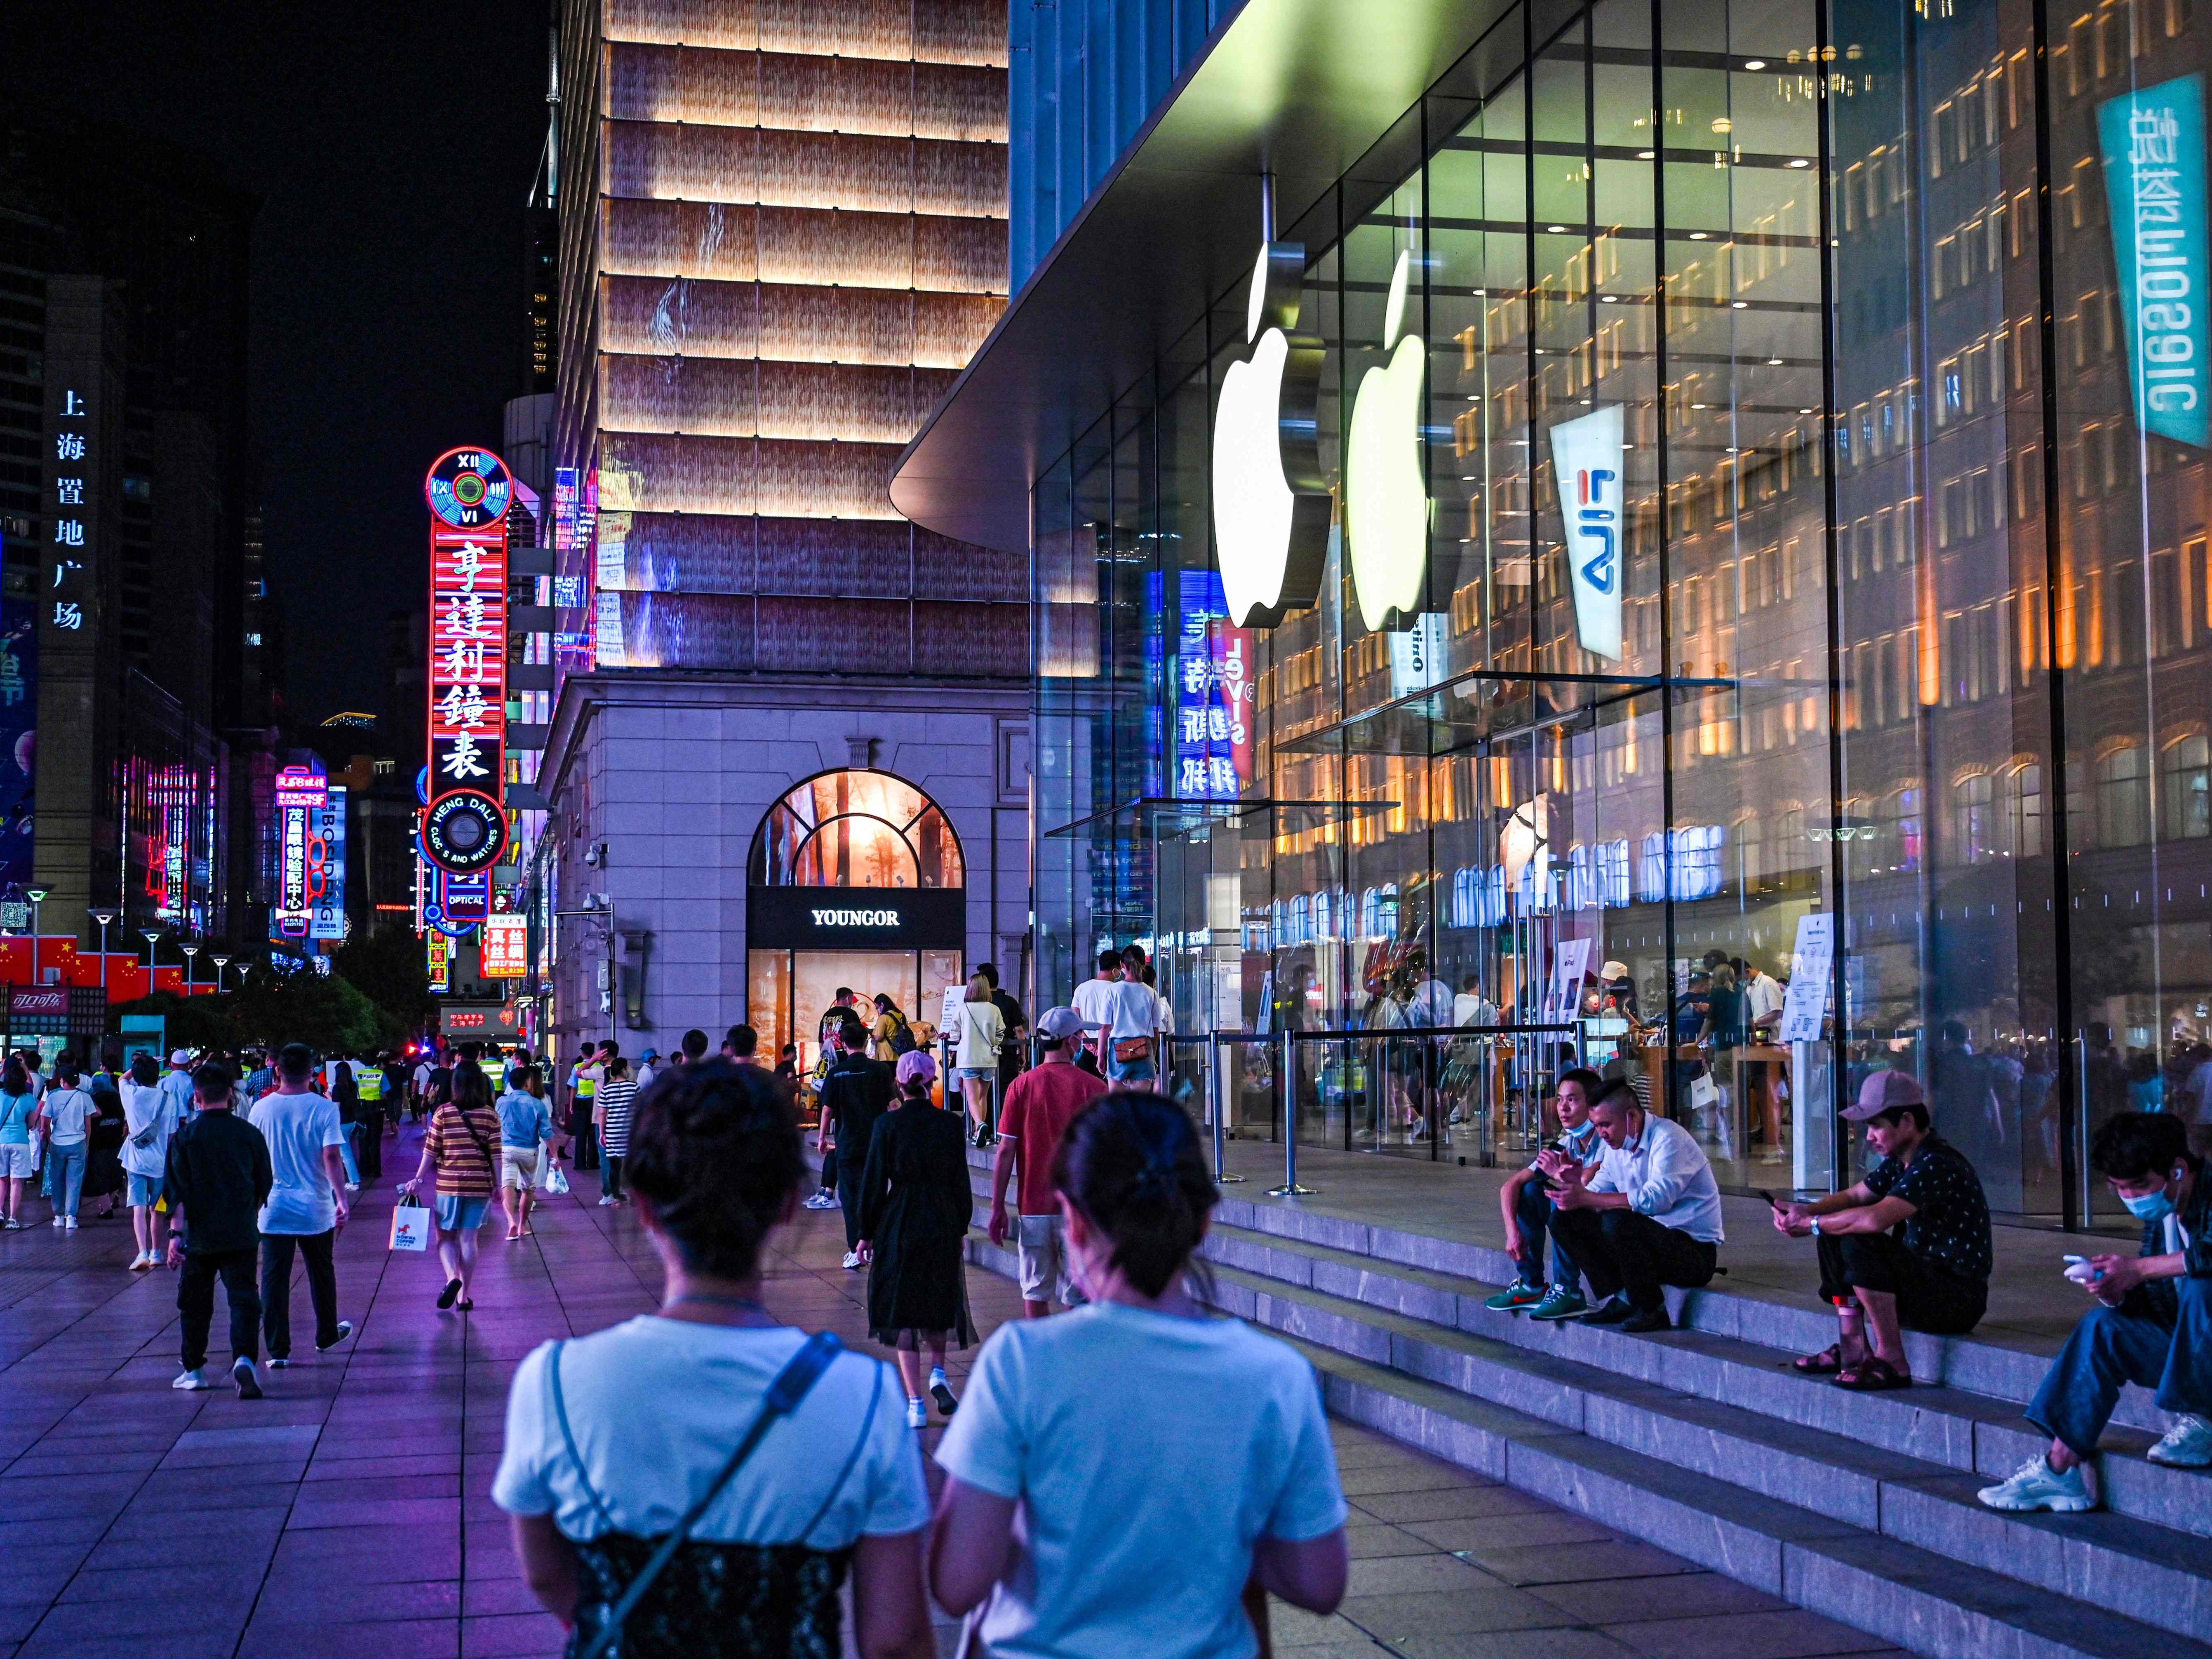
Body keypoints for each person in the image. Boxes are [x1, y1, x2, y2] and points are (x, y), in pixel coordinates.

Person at [494, 1061, 938, 1659]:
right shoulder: (863, 1396)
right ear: (786, 1206)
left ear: (646, 1205)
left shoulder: (554, 1382)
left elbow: (545, 1573)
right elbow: (896, 1640)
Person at [929, 1090, 1350, 1657]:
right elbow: (1319, 1582)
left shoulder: (1022, 1365)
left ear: (1073, 1223)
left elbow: (957, 1582)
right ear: (1202, 1222)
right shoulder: (1275, 1376)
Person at [1977, 1112, 2212, 1512]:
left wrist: (2138, 1268)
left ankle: (2203, 1415)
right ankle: (2059, 1469)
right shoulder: (2163, 1220)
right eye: (2120, 1189)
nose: (2132, 1198)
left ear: (2178, 1168)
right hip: (2191, 1355)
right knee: (2104, 1326)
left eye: (2140, 1186)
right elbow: (2157, 1309)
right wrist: (2113, 1291)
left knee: (2201, 1282)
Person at [1774, 1071, 1991, 1389]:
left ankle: (1892, 1359)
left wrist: (1811, 1224)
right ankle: (1854, 1349)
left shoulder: (1936, 1164)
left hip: (1956, 1299)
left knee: (1858, 1237)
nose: (1870, 1136)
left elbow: (1875, 1219)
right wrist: (1806, 1211)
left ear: (1906, 1121)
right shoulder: (1901, 1160)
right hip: (1924, 1285)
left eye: (1876, 1126)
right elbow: (1854, 1196)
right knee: (1836, 1230)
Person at [1545, 1075, 1725, 1332]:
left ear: (1631, 1117)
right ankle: (1622, 1296)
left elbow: (1656, 1200)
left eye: (1606, 1125)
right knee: (1564, 1219)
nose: (1601, 1133)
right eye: (1596, 1126)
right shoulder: (1615, 1148)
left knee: (1617, 1220)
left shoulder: (1668, 1138)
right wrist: (1575, 1185)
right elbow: (1595, 1194)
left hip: (1693, 1252)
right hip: (1649, 1244)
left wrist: (1587, 1198)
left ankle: (1651, 1308)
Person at [856, 1049, 974, 1427]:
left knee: (903, 1307)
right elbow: (961, 1179)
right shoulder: (950, 1124)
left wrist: (865, 1232)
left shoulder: (886, 1127)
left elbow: (873, 1182)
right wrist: (960, 1225)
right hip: (940, 1214)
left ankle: (915, 1405)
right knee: (939, 1296)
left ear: (900, 1083)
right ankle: (939, 1371)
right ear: (931, 1082)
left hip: (900, 1216)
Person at [988, 1006, 1108, 1318]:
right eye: (1080, 1036)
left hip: (1033, 1206)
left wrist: (997, 1206)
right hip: (1080, 1209)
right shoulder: (1095, 1088)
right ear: (1070, 1042)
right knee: (1079, 1297)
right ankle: (1074, 1361)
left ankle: (1041, 1361)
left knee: (1035, 1292)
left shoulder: (1020, 1087)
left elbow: (1005, 1152)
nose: (1083, 1041)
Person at [165, 1063, 273, 1399]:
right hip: (240, 1232)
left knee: (195, 1304)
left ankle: (194, 1369)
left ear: (196, 1097)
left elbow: (176, 1192)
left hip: (199, 1237)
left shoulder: (185, 1138)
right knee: (243, 1298)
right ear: (231, 1095)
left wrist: (175, 1237)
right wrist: (249, 1212)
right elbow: (264, 1182)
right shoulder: (248, 1133)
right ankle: (244, 1358)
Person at [248, 1045, 353, 1367]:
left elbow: (255, 1161)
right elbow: (332, 1157)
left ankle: (278, 1350)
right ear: (312, 1072)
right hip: (315, 1206)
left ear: (277, 1070)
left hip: (273, 1207)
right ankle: (326, 1335)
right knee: (321, 1271)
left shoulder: (260, 1110)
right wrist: (342, 1199)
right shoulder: (324, 1109)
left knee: (274, 1278)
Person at [1485, 1067, 1603, 1321]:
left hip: (1609, 1223)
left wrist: (1559, 1174)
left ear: (1592, 1104)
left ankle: (1567, 1290)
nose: (1562, 1108)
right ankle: (1532, 1285)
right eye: (1560, 1100)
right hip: (1583, 1222)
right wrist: (1512, 1233)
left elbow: (1584, 1188)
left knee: (1559, 1197)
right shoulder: (1565, 1143)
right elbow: (1510, 1186)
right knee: (1530, 1191)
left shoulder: (1608, 1140)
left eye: (1572, 1100)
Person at [400, 1059, 504, 1309]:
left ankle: (452, 1278)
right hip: (480, 1185)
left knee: (445, 1237)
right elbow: (497, 1154)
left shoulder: (444, 1112)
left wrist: (419, 1178)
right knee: (469, 1240)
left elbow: (431, 1150)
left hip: (449, 1184)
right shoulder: (490, 1115)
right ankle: (464, 1296)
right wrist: (498, 1185)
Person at [820, 1016, 894, 1269]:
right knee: (876, 1193)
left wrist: (822, 1138)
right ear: (865, 1042)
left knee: (851, 1198)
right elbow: (893, 1106)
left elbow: (828, 1110)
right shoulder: (881, 1070)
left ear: (844, 1043)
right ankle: (878, 1244)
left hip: (848, 1144)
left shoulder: (837, 1073)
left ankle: (856, 1248)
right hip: (877, 1144)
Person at [120, 1051, 175, 1268]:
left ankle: (141, 1252)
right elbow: (172, 1134)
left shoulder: (131, 1094)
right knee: (157, 1210)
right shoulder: (168, 1098)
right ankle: (156, 1253)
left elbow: (122, 1079)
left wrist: (136, 1067)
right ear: (158, 1074)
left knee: (138, 1208)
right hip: (160, 1162)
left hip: (135, 1160)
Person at [498, 1063, 557, 1241]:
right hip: (529, 1151)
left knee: (507, 1185)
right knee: (528, 1189)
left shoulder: (501, 1102)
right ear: (528, 1083)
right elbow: (546, 1133)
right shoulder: (537, 1104)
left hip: (506, 1149)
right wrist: (555, 1155)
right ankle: (523, 1225)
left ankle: (511, 1222)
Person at [37, 1058, 95, 1231]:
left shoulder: (53, 1096)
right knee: (75, 1181)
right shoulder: (85, 1097)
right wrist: (87, 1143)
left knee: (57, 1180)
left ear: (63, 1081)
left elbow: (45, 1121)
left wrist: (48, 1138)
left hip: (58, 1143)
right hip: (78, 1143)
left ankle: (58, 1216)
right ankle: (71, 1217)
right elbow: (88, 1125)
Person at [1093, 955, 1164, 1091]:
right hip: (1144, 1047)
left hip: (1118, 1048)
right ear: (1143, 965)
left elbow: (1105, 1027)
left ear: (1122, 966)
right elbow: (1156, 1029)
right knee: (1140, 1102)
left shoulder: (1113, 990)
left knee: (1117, 1102)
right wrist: (1153, 1055)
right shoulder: (1152, 993)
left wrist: (1101, 1055)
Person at [954, 970, 1005, 1142]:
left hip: (969, 1059)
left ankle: (980, 1124)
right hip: (989, 1059)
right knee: (983, 1096)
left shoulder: (963, 1009)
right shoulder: (994, 1009)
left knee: (972, 1097)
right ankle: (978, 1133)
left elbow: (954, 1036)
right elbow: (1001, 1032)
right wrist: (994, 1043)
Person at [82, 1050, 127, 1221]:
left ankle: (106, 1208)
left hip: (98, 1142)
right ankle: (109, 1201)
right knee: (115, 1174)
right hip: (116, 1140)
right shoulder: (118, 1098)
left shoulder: (93, 1098)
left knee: (98, 1175)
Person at [977, 962, 1028, 1099]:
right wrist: (1022, 1054)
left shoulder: (979, 1003)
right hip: (1007, 1052)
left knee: (984, 1092)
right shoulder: (1010, 1001)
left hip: (983, 1054)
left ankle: (985, 1119)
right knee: (1006, 1090)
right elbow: (1019, 1030)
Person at [593, 1055, 637, 1207]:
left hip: (612, 1131)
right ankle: (632, 1196)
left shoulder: (607, 1089)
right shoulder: (634, 1087)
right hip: (629, 1131)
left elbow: (602, 1113)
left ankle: (617, 1198)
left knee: (614, 1166)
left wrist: (602, 1133)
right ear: (625, 1070)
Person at [0, 1055, 37, 1229]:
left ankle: (0, 1212)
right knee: (16, 1182)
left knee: (2, 1180)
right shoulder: (28, 1099)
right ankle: (13, 1218)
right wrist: (24, 1067)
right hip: (20, 1142)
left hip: (0, 1142)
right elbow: (31, 1124)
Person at [160, 1048, 197, 1128]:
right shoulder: (194, 1082)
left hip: (167, 1124)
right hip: (189, 1124)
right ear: (189, 1065)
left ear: (171, 1065)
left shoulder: (163, 1083)